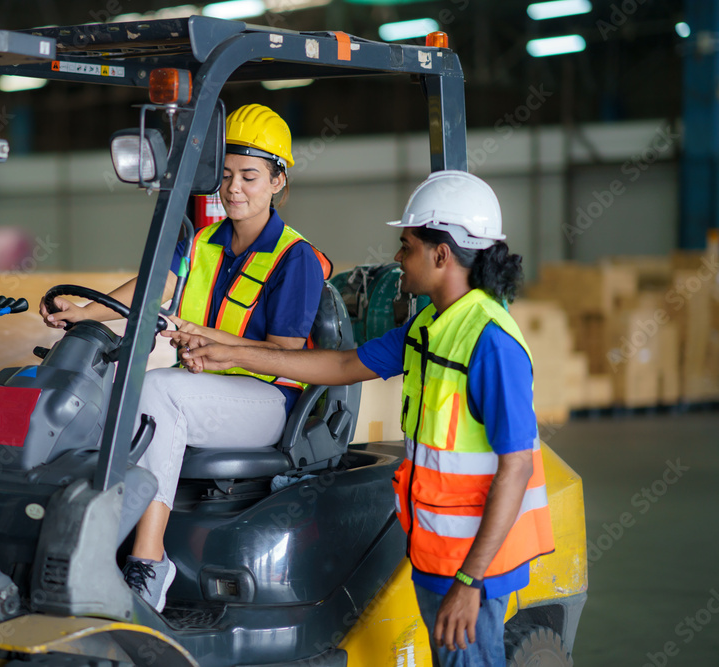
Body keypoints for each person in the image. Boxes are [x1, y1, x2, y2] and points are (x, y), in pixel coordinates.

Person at [172, 170, 554, 666]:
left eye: (407, 245)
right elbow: (342, 365)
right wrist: (234, 355)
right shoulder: (431, 325)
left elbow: (517, 467)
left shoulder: (490, 342)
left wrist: (470, 581)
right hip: (438, 554)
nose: (397, 258)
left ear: (442, 255)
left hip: (472, 566)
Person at [39, 104, 331, 612]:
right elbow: (154, 289)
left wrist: (213, 346)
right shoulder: (201, 242)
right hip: (205, 388)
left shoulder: (294, 257)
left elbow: (286, 357)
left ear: (279, 181)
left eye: (249, 176)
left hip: (267, 400)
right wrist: (83, 311)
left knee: (157, 390)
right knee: (106, 390)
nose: (233, 188)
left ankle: (150, 563)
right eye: (224, 175)